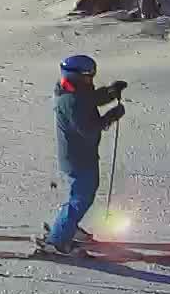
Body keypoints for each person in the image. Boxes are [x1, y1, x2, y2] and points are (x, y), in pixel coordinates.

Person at [38, 55, 129, 255]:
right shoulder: (70, 101)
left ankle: (68, 227)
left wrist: (110, 92)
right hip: (78, 157)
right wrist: (111, 116)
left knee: (79, 195)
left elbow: (92, 99)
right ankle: (57, 240)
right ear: (76, 76)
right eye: (87, 77)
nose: (91, 81)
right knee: (81, 197)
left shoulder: (75, 90)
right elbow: (88, 128)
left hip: (81, 154)